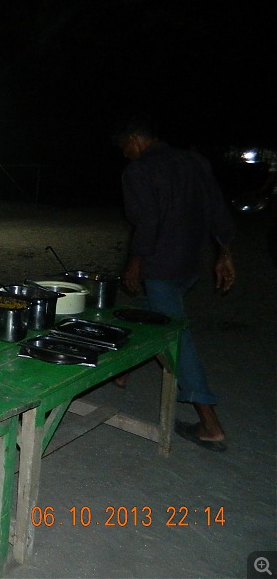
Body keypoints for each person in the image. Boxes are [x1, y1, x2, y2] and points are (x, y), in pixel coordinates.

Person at [114, 115, 235, 452]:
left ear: (136, 139)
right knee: (145, 313)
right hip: (191, 263)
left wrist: (135, 263)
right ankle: (121, 373)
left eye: (125, 148)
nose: (125, 154)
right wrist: (224, 252)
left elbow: (146, 220)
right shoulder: (194, 161)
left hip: (161, 265)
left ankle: (210, 424)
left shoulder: (138, 171)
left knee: (176, 337)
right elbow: (217, 208)